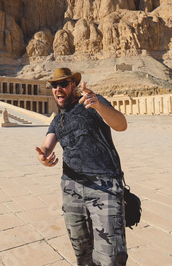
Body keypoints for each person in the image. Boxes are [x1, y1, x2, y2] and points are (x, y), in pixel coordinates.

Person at [35, 68, 128, 266]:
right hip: (71, 189)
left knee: (111, 255)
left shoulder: (92, 102)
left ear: (73, 85)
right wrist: (43, 157)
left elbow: (121, 125)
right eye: (54, 85)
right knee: (82, 252)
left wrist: (98, 105)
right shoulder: (57, 119)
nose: (58, 88)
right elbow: (46, 145)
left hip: (104, 186)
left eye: (63, 84)